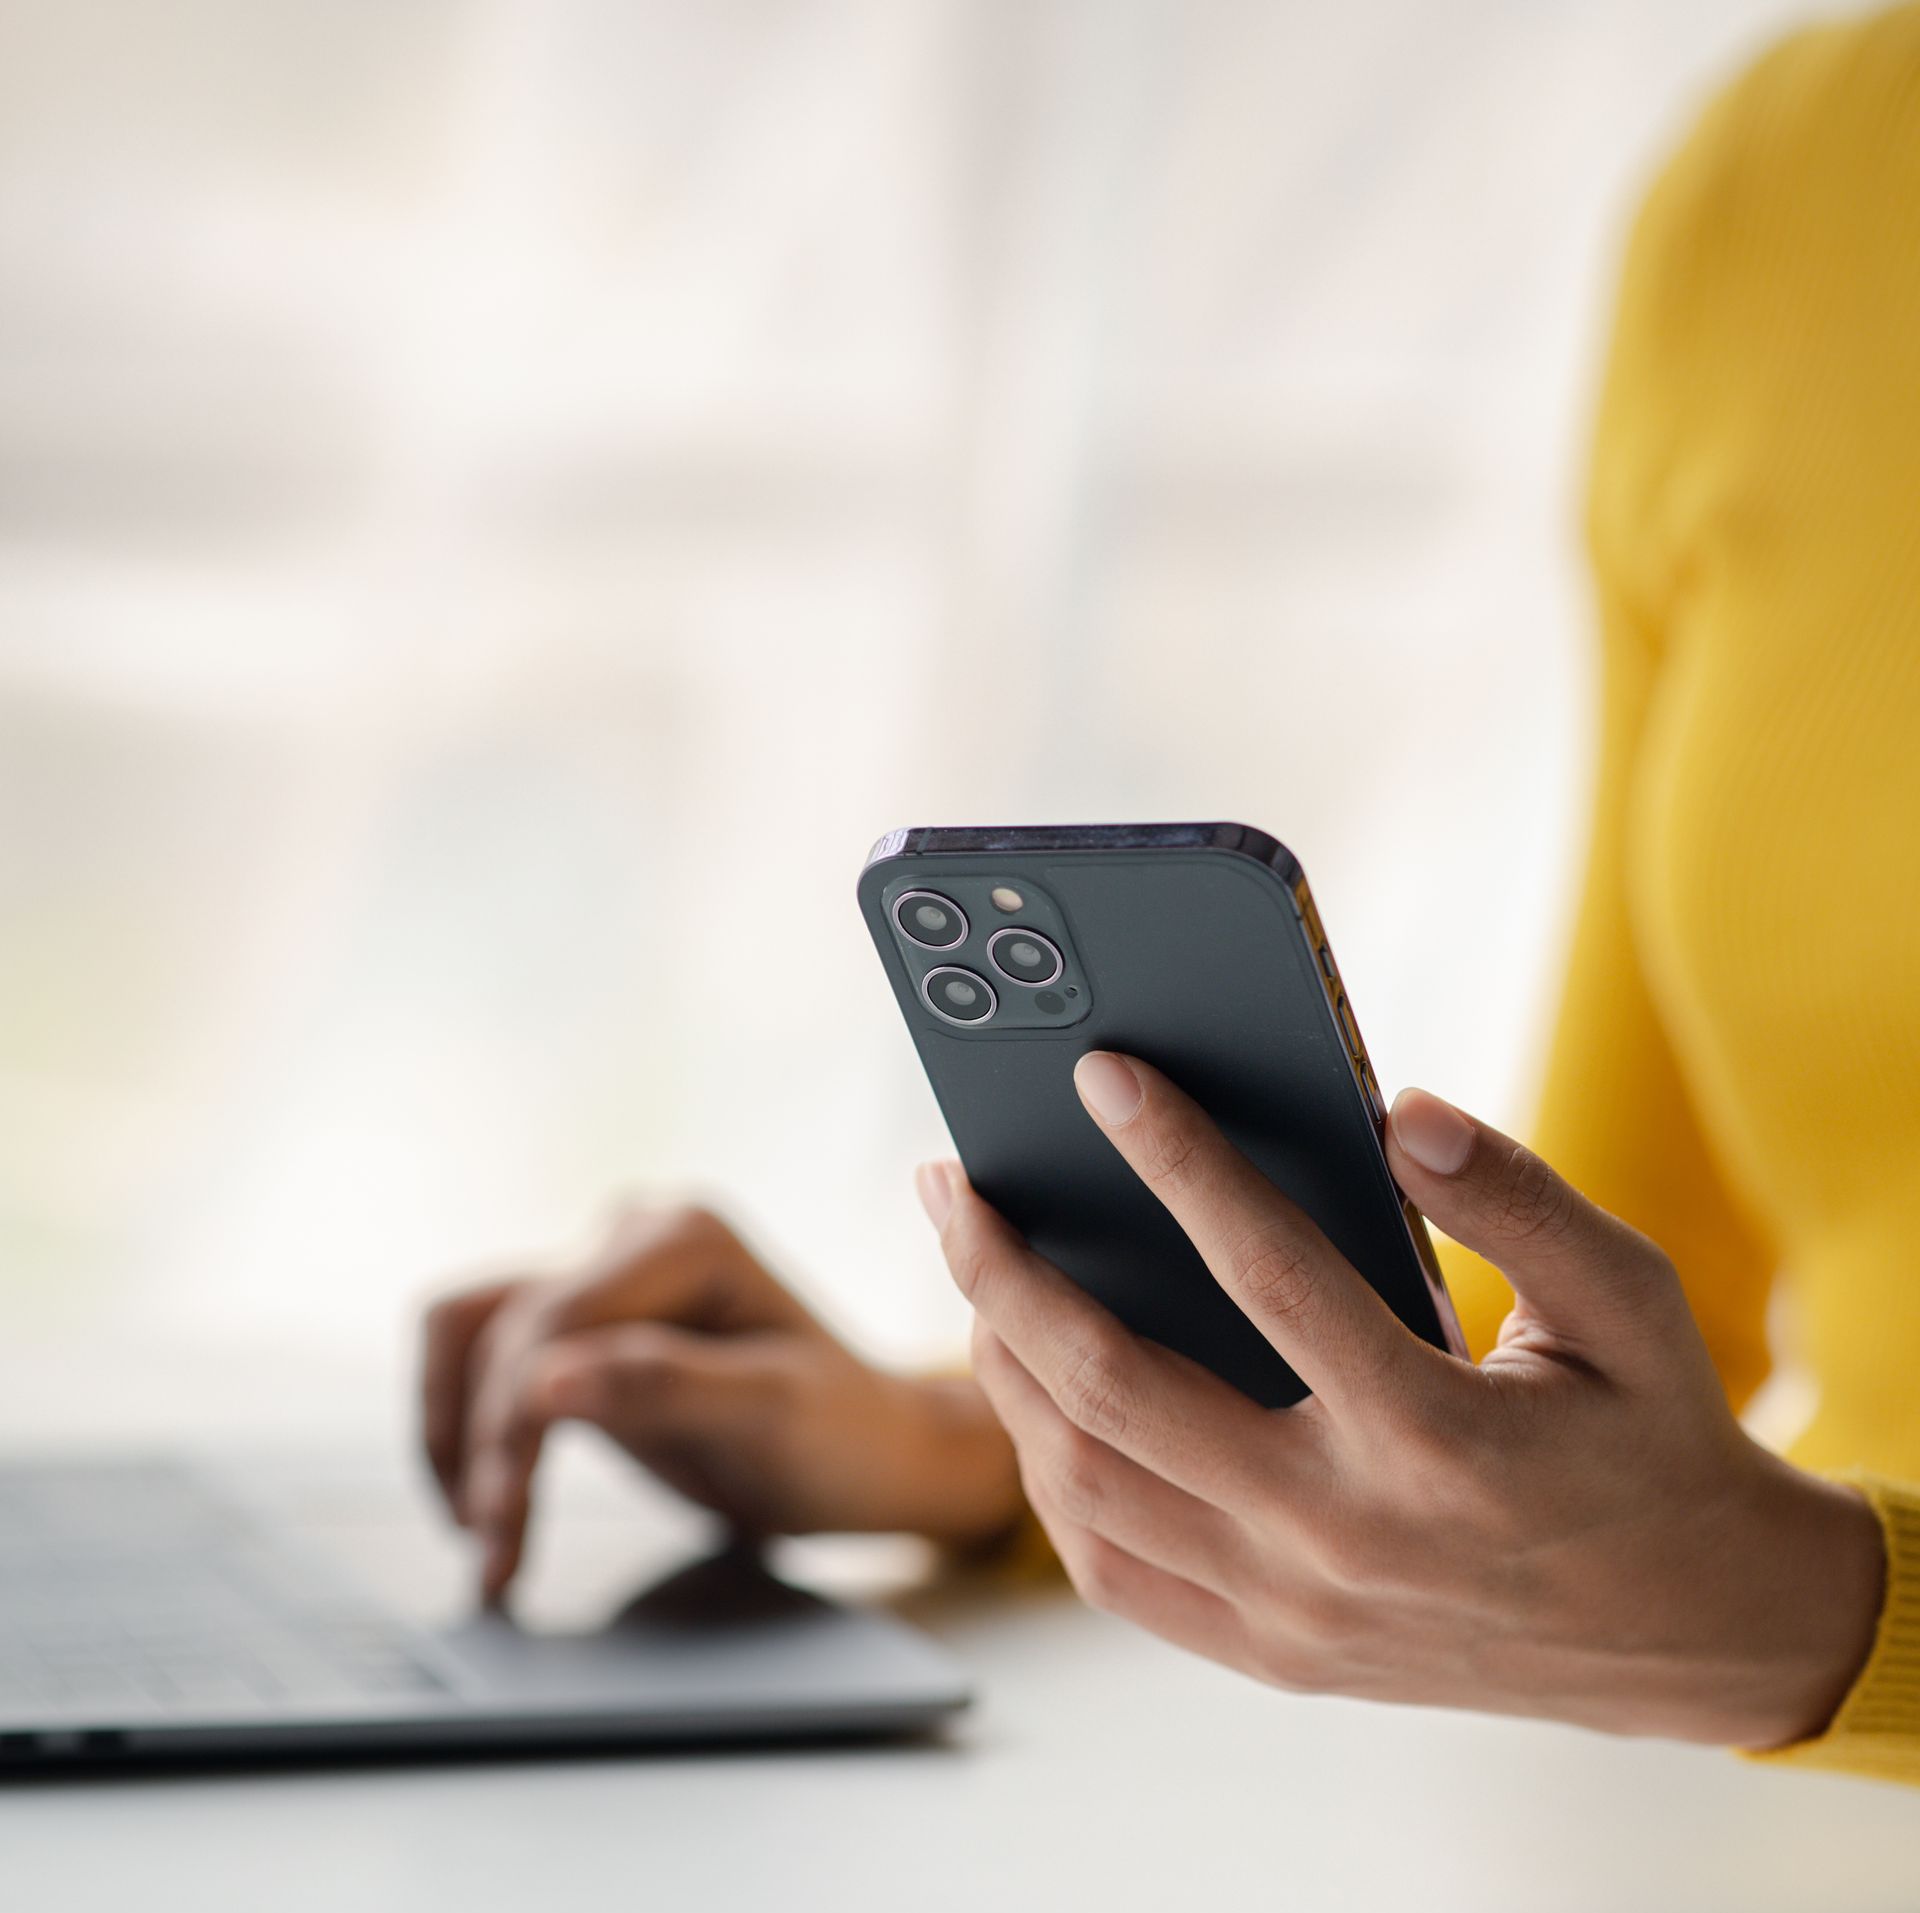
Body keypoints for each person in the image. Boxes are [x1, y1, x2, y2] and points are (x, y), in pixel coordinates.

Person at [420, 10, 1920, 1788]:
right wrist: (992, 1436)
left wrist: (1822, 1618)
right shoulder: (1781, 180)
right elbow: (1631, 1293)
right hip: (1774, 1856)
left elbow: (1755, 1577)